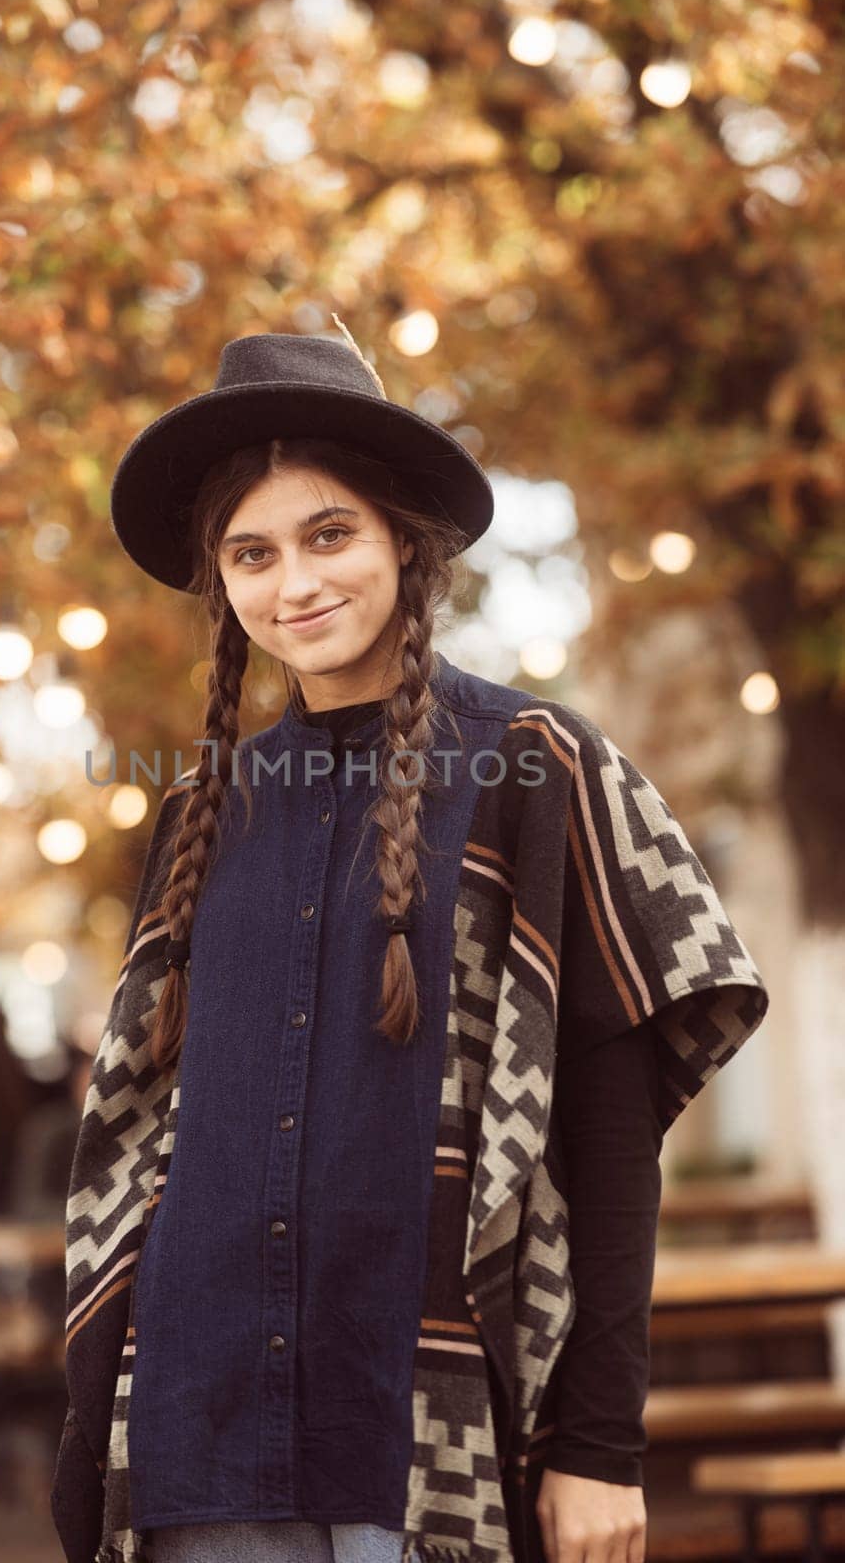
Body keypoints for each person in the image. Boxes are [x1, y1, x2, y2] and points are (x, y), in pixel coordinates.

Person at [52, 322, 769, 1563]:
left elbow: (604, 1144)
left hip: (434, 1433)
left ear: (403, 541)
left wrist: (599, 1444)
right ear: (219, 578)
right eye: (252, 553)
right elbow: (135, 1146)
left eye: (328, 535)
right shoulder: (191, 820)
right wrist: (86, 1438)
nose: (294, 583)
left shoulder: (535, 771)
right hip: (193, 1429)